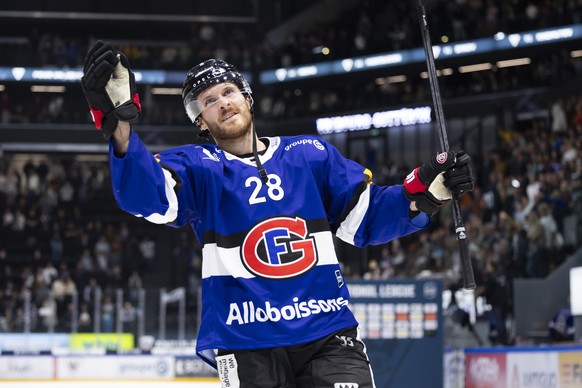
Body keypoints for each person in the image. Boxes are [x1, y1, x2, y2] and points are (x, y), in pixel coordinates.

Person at [80, 40, 475, 388]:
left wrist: (424, 191)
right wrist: (118, 122)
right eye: (209, 101)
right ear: (200, 121)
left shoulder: (309, 154)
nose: (223, 102)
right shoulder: (196, 166)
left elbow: (366, 219)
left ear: (248, 99)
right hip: (244, 343)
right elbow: (142, 194)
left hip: (326, 334)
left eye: (229, 91)